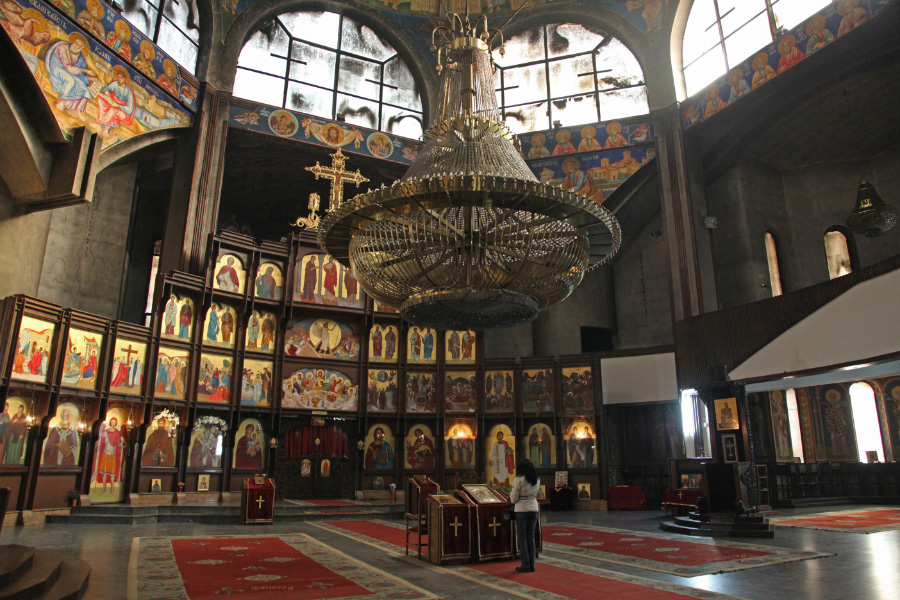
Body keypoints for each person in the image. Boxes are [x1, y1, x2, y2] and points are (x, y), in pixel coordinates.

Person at [510, 458, 540, 573]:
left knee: (522, 538)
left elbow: (513, 498)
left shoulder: (519, 480)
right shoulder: (536, 479)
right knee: (531, 537)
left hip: (522, 509)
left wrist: (511, 502)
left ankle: (525, 564)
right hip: (533, 508)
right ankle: (532, 564)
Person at [94, 417, 125, 495]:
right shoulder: (106, 432)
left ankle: (112, 489)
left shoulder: (117, 432)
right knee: (104, 472)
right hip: (106, 453)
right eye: (112, 422)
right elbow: (100, 441)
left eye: (115, 422)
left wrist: (123, 444)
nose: (113, 423)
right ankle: (103, 489)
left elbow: (118, 443)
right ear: (110, 423)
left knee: (112, 473)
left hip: (112, 454)